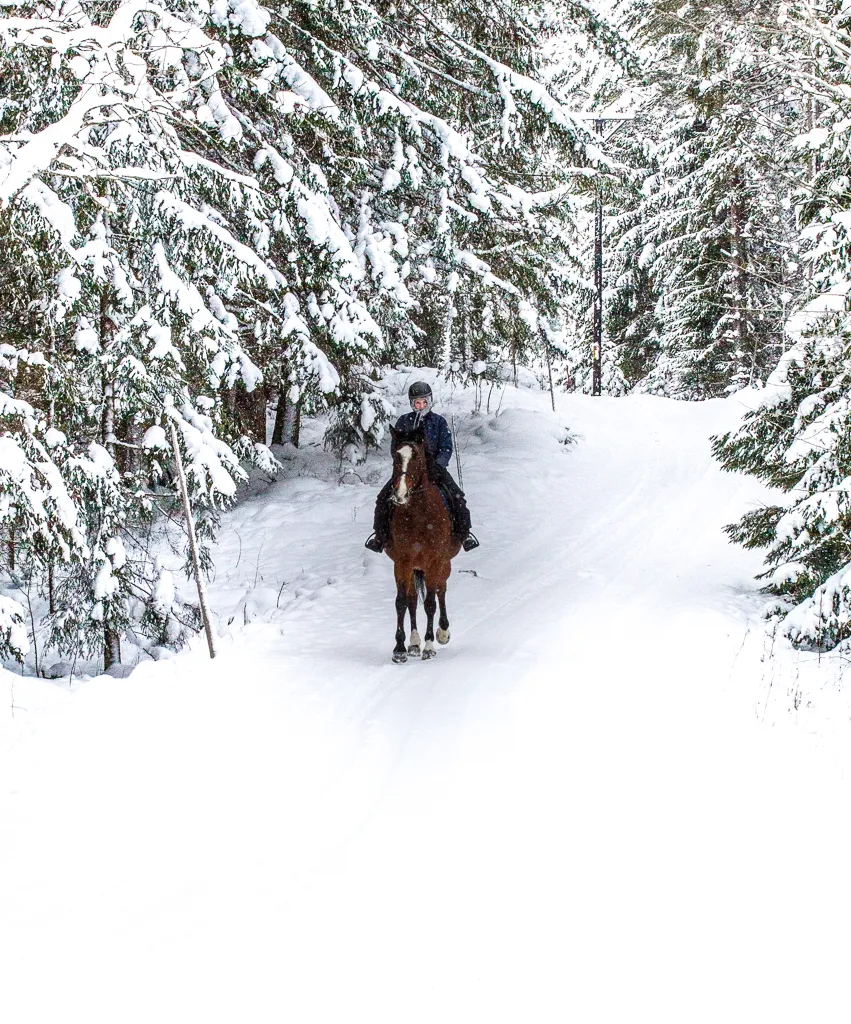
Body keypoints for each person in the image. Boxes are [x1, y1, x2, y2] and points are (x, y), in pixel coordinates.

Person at [365, 381, 479, 553]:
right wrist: (403, 464)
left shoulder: (438, 422)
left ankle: (464, 534)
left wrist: (438, 465)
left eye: (423, 402)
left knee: (457, 497)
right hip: (408, 470)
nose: (420, 406)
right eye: (416, 403)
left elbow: (446, 447)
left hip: (435, 469)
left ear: (429, 401)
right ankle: (380, 537)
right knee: (383, 497)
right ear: (412, 404)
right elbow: (395, 447)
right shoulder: (404, 421)